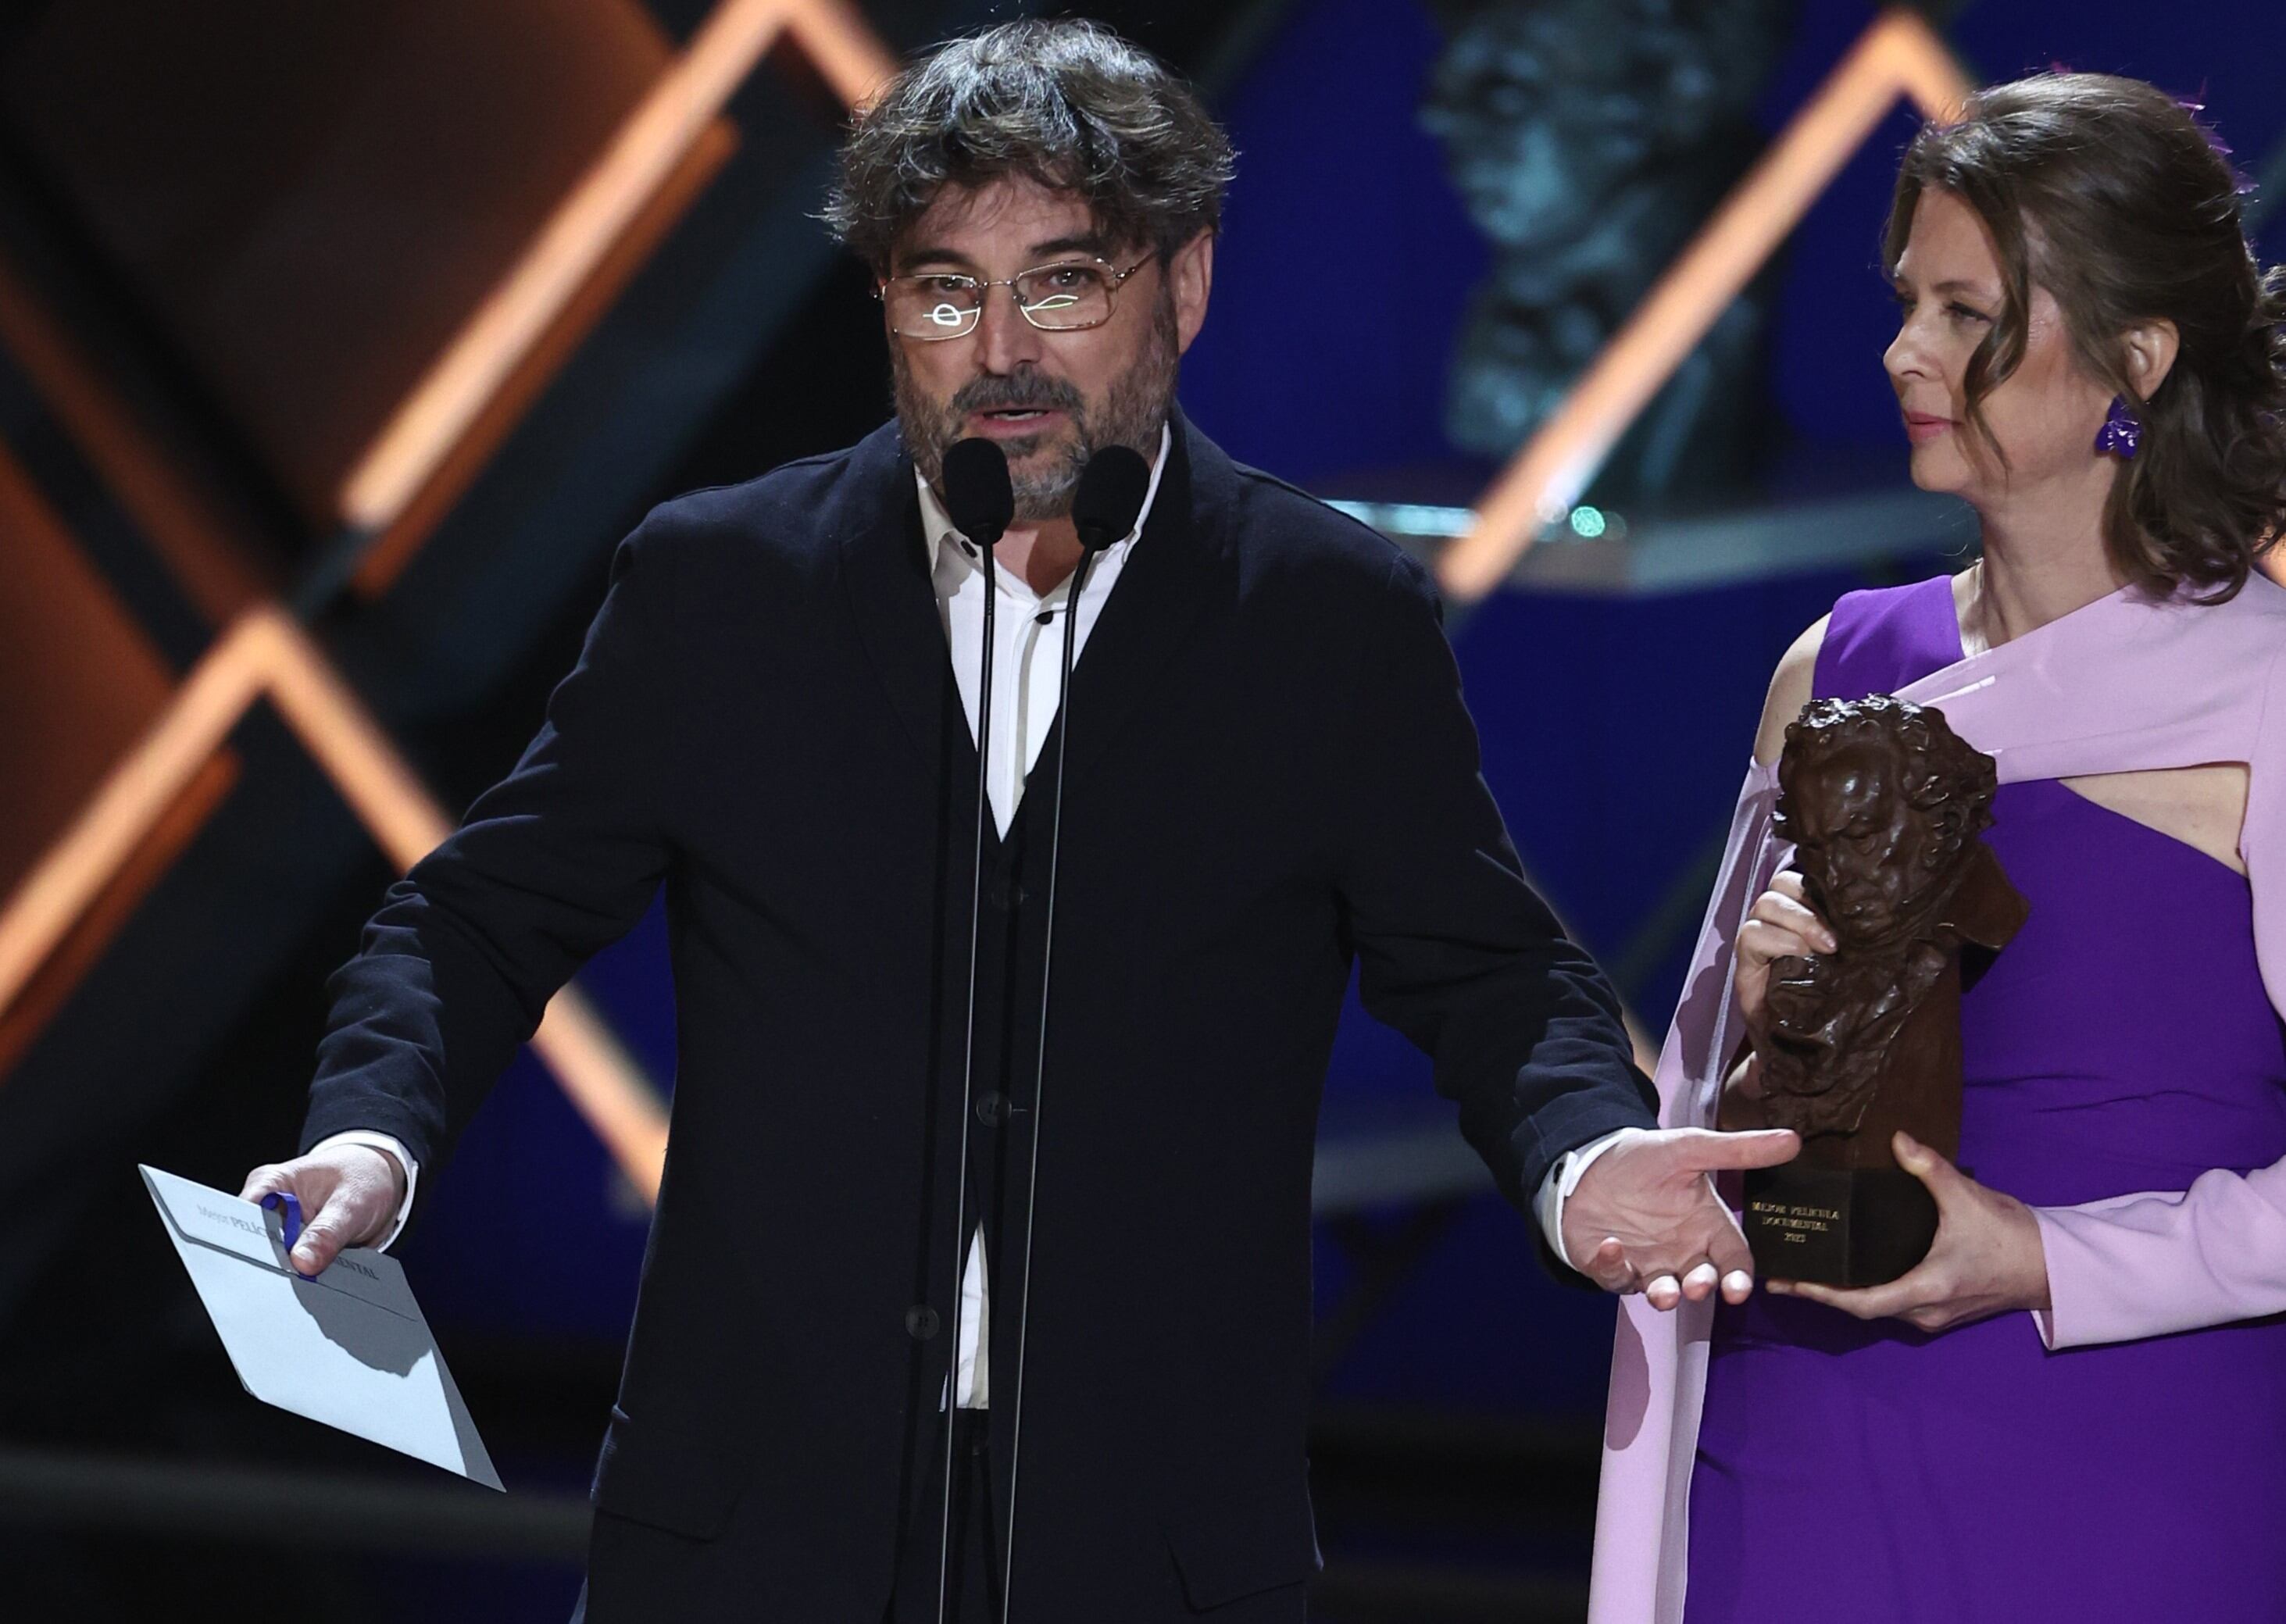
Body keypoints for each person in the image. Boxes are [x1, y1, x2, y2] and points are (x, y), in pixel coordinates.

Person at [236, 21, 1791, 1623]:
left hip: (1149, 1550)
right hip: (747, 1546)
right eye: (942, 290)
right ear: (884, 306)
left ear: (1185, 284)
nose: (998, 351)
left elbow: (1487, 970)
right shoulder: (725, 585)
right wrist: (372, 1132)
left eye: (1062, 283)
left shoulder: (1319, 616)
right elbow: (477, 915)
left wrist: (1582, 1150)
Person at [1588, 73, 2286, 1624]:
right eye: (1907, 301)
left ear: (2135, 359)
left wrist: (2041, 1256)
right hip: (1793, 1439)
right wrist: (1767, 1029)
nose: (1904, 351)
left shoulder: (2268, 692)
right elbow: (1706, 1114)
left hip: (2122, 1467)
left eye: (1967, 314)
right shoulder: (1831, 670)